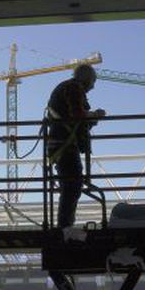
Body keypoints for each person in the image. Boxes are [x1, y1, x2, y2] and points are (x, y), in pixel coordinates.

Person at [44, 64, 105, 228]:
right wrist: (95, 115)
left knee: (70, 185)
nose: (93, 86)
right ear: (87, 79)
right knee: (73, 185)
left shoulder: (67, 87)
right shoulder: (73, 88)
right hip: (65, 145)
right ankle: (64, 228)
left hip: (61, 144)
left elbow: (76, 121)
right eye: (93, 81)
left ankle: (64, 226)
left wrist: (90, 119)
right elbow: (77, 116)